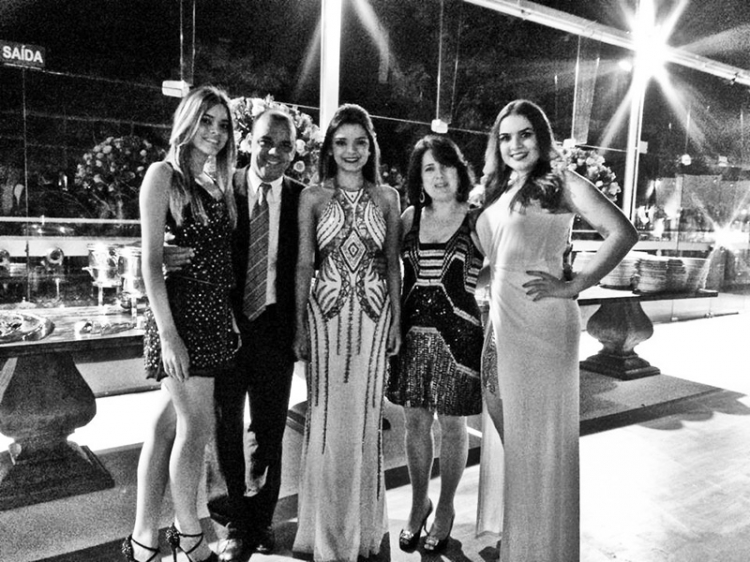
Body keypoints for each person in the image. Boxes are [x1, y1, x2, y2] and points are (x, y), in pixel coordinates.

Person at [475, 99, 638, 561]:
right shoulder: (501, 188)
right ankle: (525, 531)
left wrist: (575, 285)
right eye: (506, 137)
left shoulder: (561, 182)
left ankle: (538, 546)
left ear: (541, 138)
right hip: (500, 322)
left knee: (539, 437)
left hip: (542, 323)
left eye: (525, 134)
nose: (515, 145)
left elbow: (622, 232)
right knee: (509, 427)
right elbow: (499, 257)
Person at [122, 85, 238, 562]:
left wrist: (227, 317)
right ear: (187, 121)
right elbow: (151, 263)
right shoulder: (162, 175)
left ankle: (142, 540)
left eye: (223, 124)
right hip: (180, 318)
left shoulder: (213, 183)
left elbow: (217, 258)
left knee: (167, 426)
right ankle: (189, 534)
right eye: (206, 120)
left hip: (211, 318)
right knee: (197, 424)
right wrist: (169, 336)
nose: (215, 132)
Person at [292, 103, 402, 562]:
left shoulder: (388, 197)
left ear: (370, 147)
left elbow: (392, 262)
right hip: (324, 317)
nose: (351, 151)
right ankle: (326, 534)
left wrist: (397, 320)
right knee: (324, 420)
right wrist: (298, 324)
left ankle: (363, 530)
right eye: (341, 143)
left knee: (364, 422)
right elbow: (304, 264)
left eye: (360, 142)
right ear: (329, 148)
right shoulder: (313, 197)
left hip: (375, 318)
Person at [209, 107, 305, 562]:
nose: (274, 153)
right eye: (267, 141)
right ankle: (234, 523)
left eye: (285, 145)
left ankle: (261, 519)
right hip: (225, 327)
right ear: (250, 140)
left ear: (294, 151)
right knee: (226, 426)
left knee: (268, 431)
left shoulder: (302, 198)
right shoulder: (221, 188)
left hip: (275, 330)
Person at [386, 135, 484, 553]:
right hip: (411, 333)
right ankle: (417, 505)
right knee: (415, 424)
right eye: (429, 168)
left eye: (445, 165)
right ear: (419, 177)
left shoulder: (477, 220)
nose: (438, 175)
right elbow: (389, 268)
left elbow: (504, 265)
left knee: (454, 425)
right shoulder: (409, 217)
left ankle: (445, 508)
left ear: (460, 171)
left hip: (460, 337)